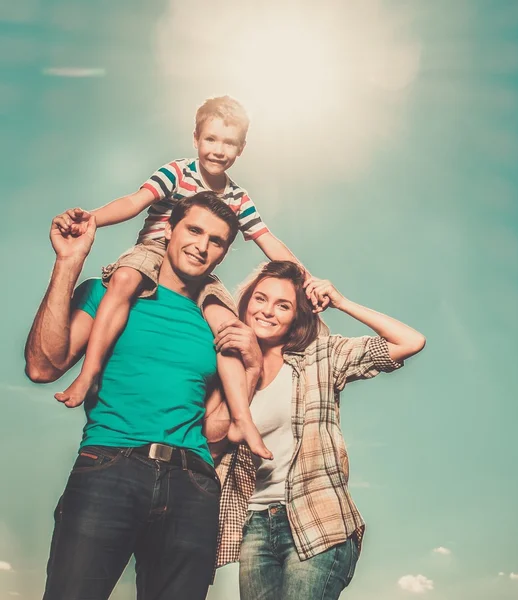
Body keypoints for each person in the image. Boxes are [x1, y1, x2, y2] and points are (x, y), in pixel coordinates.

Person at [24, 192, 251, 600]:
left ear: (223, 253)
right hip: (111, 466)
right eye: (194, 230)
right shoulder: (110, 294)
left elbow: (217, 431)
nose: (202, 245)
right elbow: (43, 366)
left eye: (216, 241)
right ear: (170, 229)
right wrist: (68, 262)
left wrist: (250, 368)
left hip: (194, 484)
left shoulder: (216, 324)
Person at [53, 95, 305, 457]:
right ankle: (89, 373)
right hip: (153, 253)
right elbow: (135, 201)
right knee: (123, 281)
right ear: (196, 139)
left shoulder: (238, 197)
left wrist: (304, 278)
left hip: (200, 275)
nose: (218, 150)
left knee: (228, 327)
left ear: (241, 149)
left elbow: (267, 240)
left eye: (229, 143)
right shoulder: (178, 172)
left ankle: (241, 419)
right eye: (211, 139)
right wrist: (91, 218)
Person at [209, 261, 426, 600]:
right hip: (255, 524)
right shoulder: (228, 369)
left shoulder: (319, 357)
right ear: (246, 302)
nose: (267, 311)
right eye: (260, 299)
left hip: (317, 519)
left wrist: (342, 302)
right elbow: (212, 444)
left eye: (283, 305)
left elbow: (410, 341)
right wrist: (250, 369)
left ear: (297, 316)